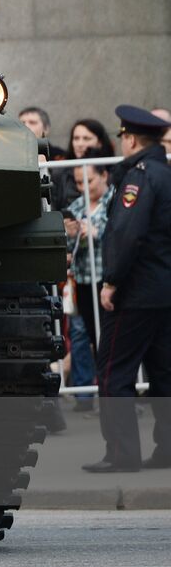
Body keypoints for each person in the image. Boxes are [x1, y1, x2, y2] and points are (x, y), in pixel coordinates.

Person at [82, 106, 171, 473]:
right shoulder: (165, 174)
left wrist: (112, 282)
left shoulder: (139, 177)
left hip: (136, 292)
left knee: (113, 373)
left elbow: (126, 234)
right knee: (164, 375)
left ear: (131, 139)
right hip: (164, 291)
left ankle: (122, 454)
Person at [63, 164, 110, 406]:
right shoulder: (78, 206)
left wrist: (96, 232)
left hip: (108, 280)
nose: (85, 188)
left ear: (104, 175)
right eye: (80, 183)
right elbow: (69, 251)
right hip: (83, 280)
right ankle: (98, 392)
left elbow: (122, 234)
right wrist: (71, 234)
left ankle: (117, 393)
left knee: (112, 339)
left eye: (89, 181)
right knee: (92, 336)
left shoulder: (115, 201)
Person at [53, 119, 115, 211]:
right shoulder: (59, 173)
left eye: (86, 138)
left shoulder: (116, 172)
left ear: (100, 143)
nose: (80, 144)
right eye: (76, 138)